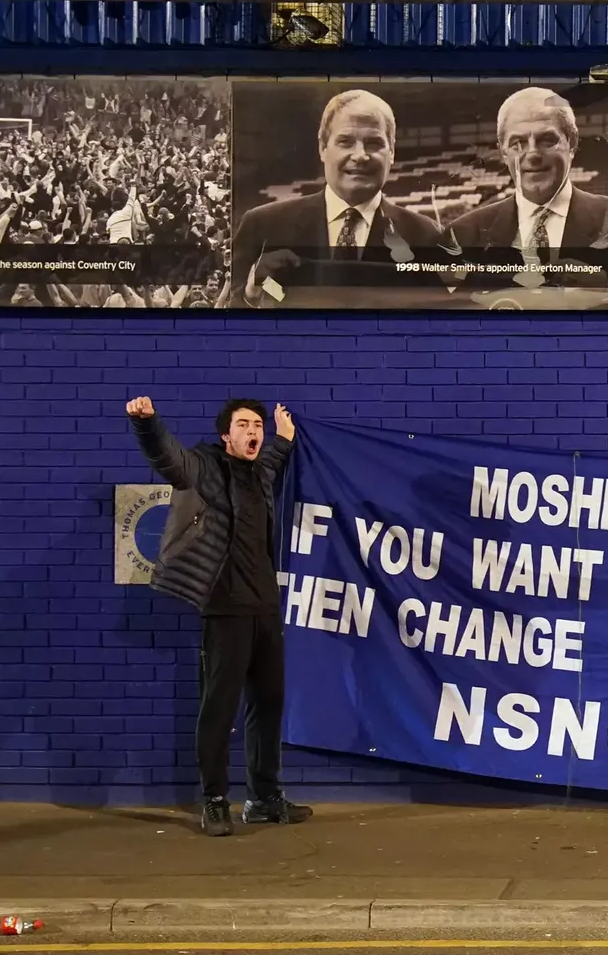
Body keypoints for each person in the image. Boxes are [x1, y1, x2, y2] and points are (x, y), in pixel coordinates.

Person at [126, 395, 312, 836]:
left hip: (266, 608)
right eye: (244, 425)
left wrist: (284, 437)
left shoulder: (261, 474)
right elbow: (168, 459)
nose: (253, 431)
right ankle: (213, 800)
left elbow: (274, 461)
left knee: (268, 706)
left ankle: (264, 798)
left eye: (258, 426)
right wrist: (148, 423)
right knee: (219, 708)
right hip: (224, 610)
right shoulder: (205, 468)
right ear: (226, 434)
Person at [446, 87, 608, 308]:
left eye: (547, 140)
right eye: (518, 143)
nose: (532, 154)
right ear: (503, 153)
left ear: (572, 144)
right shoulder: (466, 233)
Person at [229, 90, 450, 306]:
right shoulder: (263, 226)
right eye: (345, 141)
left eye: (374, 143)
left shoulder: (428, 237)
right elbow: (227, 317)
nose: (360, 155)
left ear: (391, 152)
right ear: (323, 148)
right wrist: (252, 295)